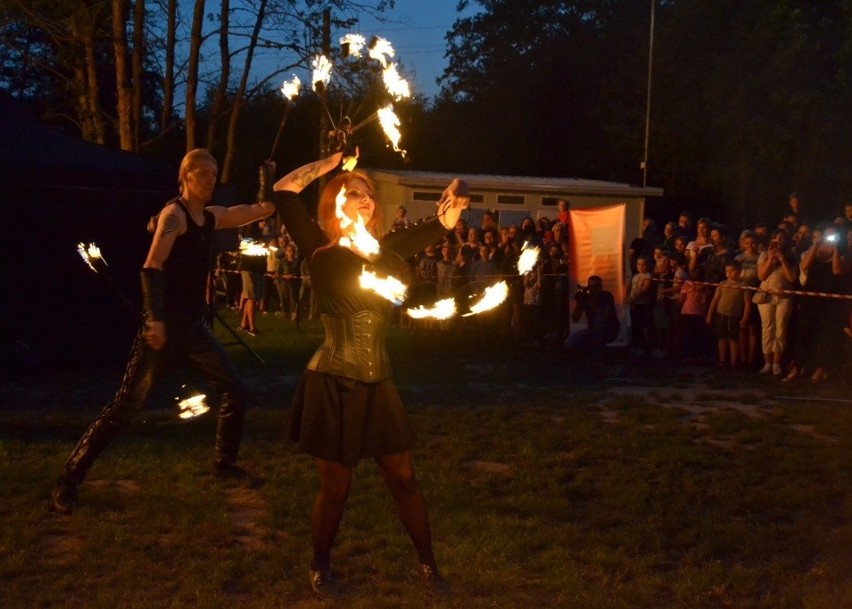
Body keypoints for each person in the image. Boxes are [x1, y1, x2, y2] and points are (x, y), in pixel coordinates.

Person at [271, 152, 469, 600]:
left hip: (379, 382)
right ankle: (320, 565)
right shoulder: (317, 245)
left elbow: (445, 221)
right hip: (333, 381)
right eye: (353, 192)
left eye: (368, 193)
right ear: (336, 202)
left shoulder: (387, 249)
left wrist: (458, 194)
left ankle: (428, 563)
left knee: (403, 478)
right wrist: (335, 162)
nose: (363, 198)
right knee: (336, 487)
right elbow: (283, 189)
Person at [51, 148, 276, 514]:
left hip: (193, 329)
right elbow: (152, 266)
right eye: (202, 172)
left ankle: (224, 465)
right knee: (126, 406)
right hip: (164, 328)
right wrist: (153, 318)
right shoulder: (175, 216)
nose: (209, 179)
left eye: (213, 173)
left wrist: (267, 180)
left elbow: (257, 211)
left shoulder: (211, 217)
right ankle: (69, 480)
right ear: (184, 177)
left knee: (235, 390)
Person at [755, 228, 797, 375]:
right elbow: (761, 276)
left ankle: (776, 363)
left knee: (780, 330)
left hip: (783, 298)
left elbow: (792, 278)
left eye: (781, 239)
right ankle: (767, 362)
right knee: (767, 329)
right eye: (775, 239)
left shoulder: (790, 257)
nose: (778, 242)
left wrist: (782, 259)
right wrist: (771, 259)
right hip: (766, 296)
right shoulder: (764, 255)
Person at [562, 275, 619, 376]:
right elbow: (575, 319)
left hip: (610, 330)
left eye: (596, 287)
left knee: (599, 322)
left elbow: (604, 314)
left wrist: (588, 303)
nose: (593, 289)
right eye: (591, 286)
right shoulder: (586, 297)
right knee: (569, 343)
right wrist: (580, 303)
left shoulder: (606, 296)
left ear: (601, 287)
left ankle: (599, 364)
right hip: (592, 330)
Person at [705, 261, 752, 369]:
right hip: (721, 314)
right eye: (727, 271)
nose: (729, 273)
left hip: (734, 316)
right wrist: (709, 314)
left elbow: (747, 303)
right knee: (721, 338)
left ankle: (733, 362)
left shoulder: (743, 285)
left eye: (732, 271)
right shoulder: (722, 284)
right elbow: (715, 300)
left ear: (739, 271)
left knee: (733, 339)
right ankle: (722, 361)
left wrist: (745, 318)